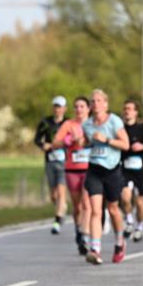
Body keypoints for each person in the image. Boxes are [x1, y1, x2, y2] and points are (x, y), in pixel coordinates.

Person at [80, 89, 130, 264]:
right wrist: (84, 143)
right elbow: (87, 142)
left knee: (113, 210)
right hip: (94, 170)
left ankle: (119, 242)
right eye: (92, 101)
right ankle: (95, 249)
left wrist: (106, 140)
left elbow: (126, 144)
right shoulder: (87, 125)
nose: (95, 104)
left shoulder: (114, 121)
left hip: (112, 171)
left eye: (99, 101)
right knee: (95, 210)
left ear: (106, 104)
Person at [53, 96, 92, 255]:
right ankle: (78, 231)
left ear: (88, 108)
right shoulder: (68, 124)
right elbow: (55, 143)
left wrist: (88, 140)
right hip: (72, 169)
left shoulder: (93, 124)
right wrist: (68, 141)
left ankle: (86, 236)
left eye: (82, 106)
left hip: (90, 169)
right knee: (77, 207)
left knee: (86, 204)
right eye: (76, 106)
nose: (79, 109)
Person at [119, 99, 143, 242]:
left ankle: (140, 227)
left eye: (130, 108)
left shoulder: (142, 129)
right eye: (125, 108)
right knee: (125, 197)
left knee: (139, 203)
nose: (127, 111)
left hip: (140, 170)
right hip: (125, 168)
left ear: (136, 112)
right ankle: (129, 220)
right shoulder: (119, 129)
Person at [34, 96, 68, 234]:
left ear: (65, 108)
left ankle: (57, 221)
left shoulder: (68, 123)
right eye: (55, 106)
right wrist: (43, 145)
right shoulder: (45, 122)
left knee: (61, 192)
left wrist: (61, 145)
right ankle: (62, 208)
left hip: (65, 163)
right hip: (50, 161)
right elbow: (36, 139)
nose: (57, 109)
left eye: (60, 106)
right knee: (53, 195)